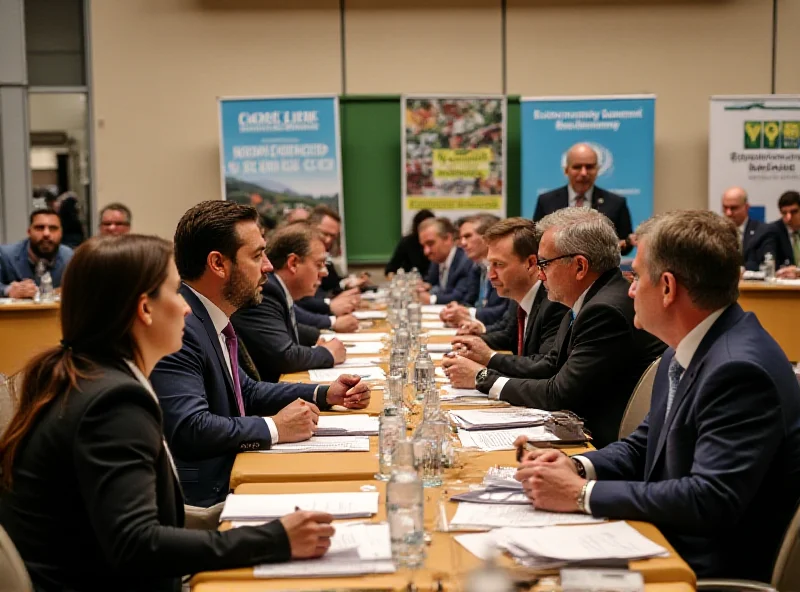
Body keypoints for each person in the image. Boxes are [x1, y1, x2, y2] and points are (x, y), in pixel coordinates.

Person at [0, 234, 336, 592]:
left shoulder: (85, 375)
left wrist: (248, 521)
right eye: (176, 292)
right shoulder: (112, 404)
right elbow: (138, 544)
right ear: (145, 309)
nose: (187, 307)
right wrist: (273, 540)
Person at [515, 210, 800, 581]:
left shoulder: (739, 370)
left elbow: (709, 499)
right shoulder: (684, 347)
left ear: (667, 287)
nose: (629, 289)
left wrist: (581, 494)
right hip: (661, 539)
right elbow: (644, 444)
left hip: (697, 569)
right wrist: (578, 467)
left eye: (636, 278)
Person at [150, 201, 370, 507]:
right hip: (210, 497)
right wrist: (275, 428)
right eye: (257, 255)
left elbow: (248, 391)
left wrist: (324, 393)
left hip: (238, 470)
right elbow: (190, 427)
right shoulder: (183, 326)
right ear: (218, 264)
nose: (268, 266)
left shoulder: (208, 316)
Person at [444, 208, 665, 448]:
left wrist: (482, 377)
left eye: (544, 264)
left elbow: (559, 394)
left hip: (600, 446)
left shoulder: (604, 310)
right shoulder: (587, 299)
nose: (539, 275)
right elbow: (550, 366)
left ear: (579, 267)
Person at [448, 218, 568, 376]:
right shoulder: (518, 294)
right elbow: (509, 336)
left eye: (499, 264)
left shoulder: (554, 302)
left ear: (531, 263)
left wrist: (488, 361)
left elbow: (544, 366)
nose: (491, 275)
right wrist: (474, 343)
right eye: (490, 265)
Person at [232, 224, 346, 383]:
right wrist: (327, 354)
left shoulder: (275, 288)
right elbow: (283, 356)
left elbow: (285, 326)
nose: (324, 273)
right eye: (319, 264)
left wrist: (317, 336)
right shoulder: (265, 289)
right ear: (293, 263)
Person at [533, 143, 634, 255]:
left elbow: (626, 244)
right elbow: (535, 240)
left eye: (589, 167)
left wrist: (615, 246)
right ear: (566, 170)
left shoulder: (616, 203)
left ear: (597, 170)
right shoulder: (546, 201)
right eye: (577, 167)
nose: (584, 173)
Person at [440, 214, 509, 327]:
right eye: (461, 238)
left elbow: (502, 313)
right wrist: (455, 310)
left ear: (488, 237)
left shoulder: (504, 268)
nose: (462, 243)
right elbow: (470, 300)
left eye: (467, 236)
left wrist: (468, 312)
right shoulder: (477, 267)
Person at [0, 208, 74, 298]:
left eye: (53, 228)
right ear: (29, 232)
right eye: (40, 228)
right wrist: (8, 290)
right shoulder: (6, 255)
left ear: (61, 233)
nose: (46, 234)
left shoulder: (69, 257)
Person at [416, 217, 477, 305]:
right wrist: (426, 287)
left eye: (430, 244)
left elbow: (459, 297)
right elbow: (435, 285)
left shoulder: (465, 261)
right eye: (423, 246)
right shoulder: (437, 260)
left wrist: (431, 299)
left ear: (447, 239)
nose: (426, 251)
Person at [720, 186, 769, 271]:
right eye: (725, 207)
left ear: (746, 207)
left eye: (733, 208)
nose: (728, 213)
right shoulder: (716, 231)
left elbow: (766, 263)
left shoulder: (762, 231)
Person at [385, 209, 435, 277]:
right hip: (412, 282)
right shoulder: (407, 242)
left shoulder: (438, 243)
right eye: (422, 227)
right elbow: (391, 268)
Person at [761, 190, 800, 278]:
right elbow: (770, 260)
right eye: (784, 213)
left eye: (794, 212)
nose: (788, 218)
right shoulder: (772, 231)